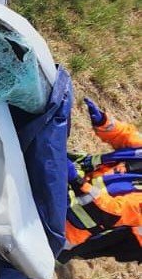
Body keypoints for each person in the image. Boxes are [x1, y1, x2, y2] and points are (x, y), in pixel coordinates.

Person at [60, 98, 142, 263]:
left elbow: (112, 211)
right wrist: (103, 122)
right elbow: (125, 136)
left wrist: (78, 183)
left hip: (70, 224)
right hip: (74, 189)